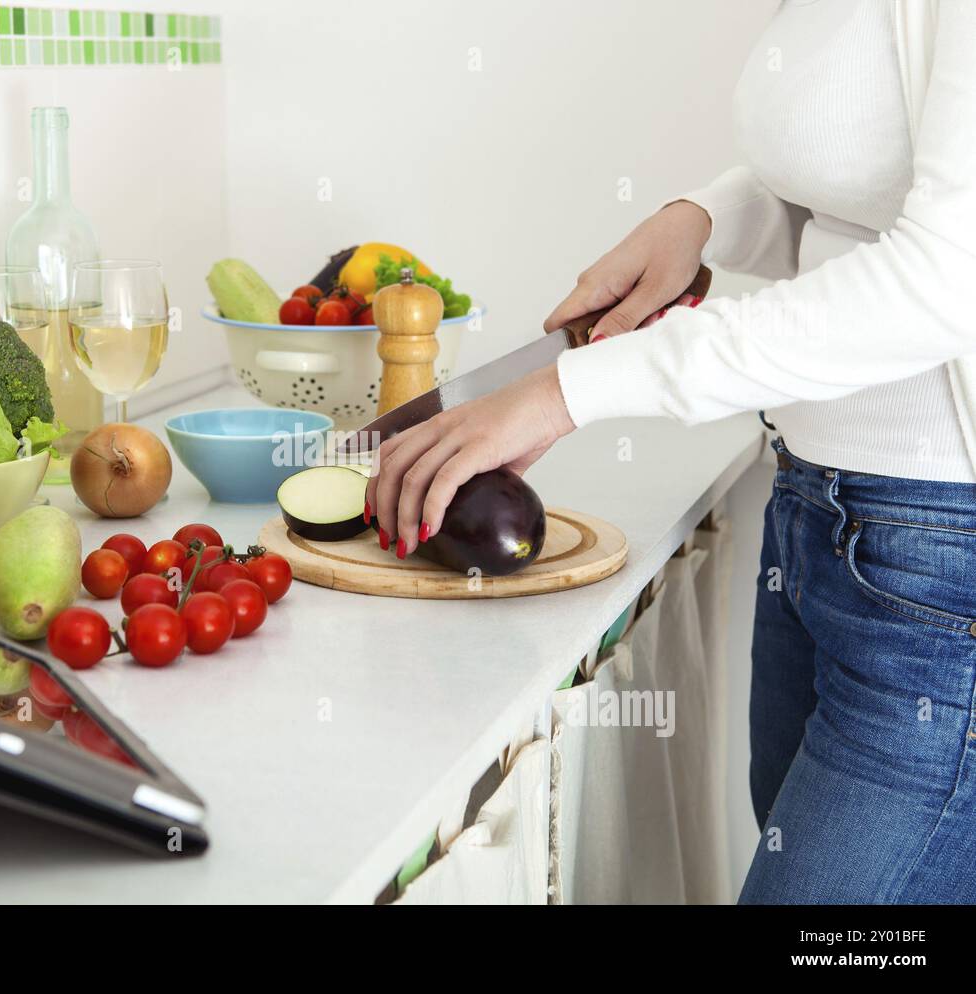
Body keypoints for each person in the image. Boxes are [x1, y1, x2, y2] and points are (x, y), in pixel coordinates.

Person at [366, 0, 976, 903]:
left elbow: (945, 280)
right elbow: (861, 164)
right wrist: (704, 218)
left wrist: (567, 391)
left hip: (939, 582)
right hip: (815, 522)